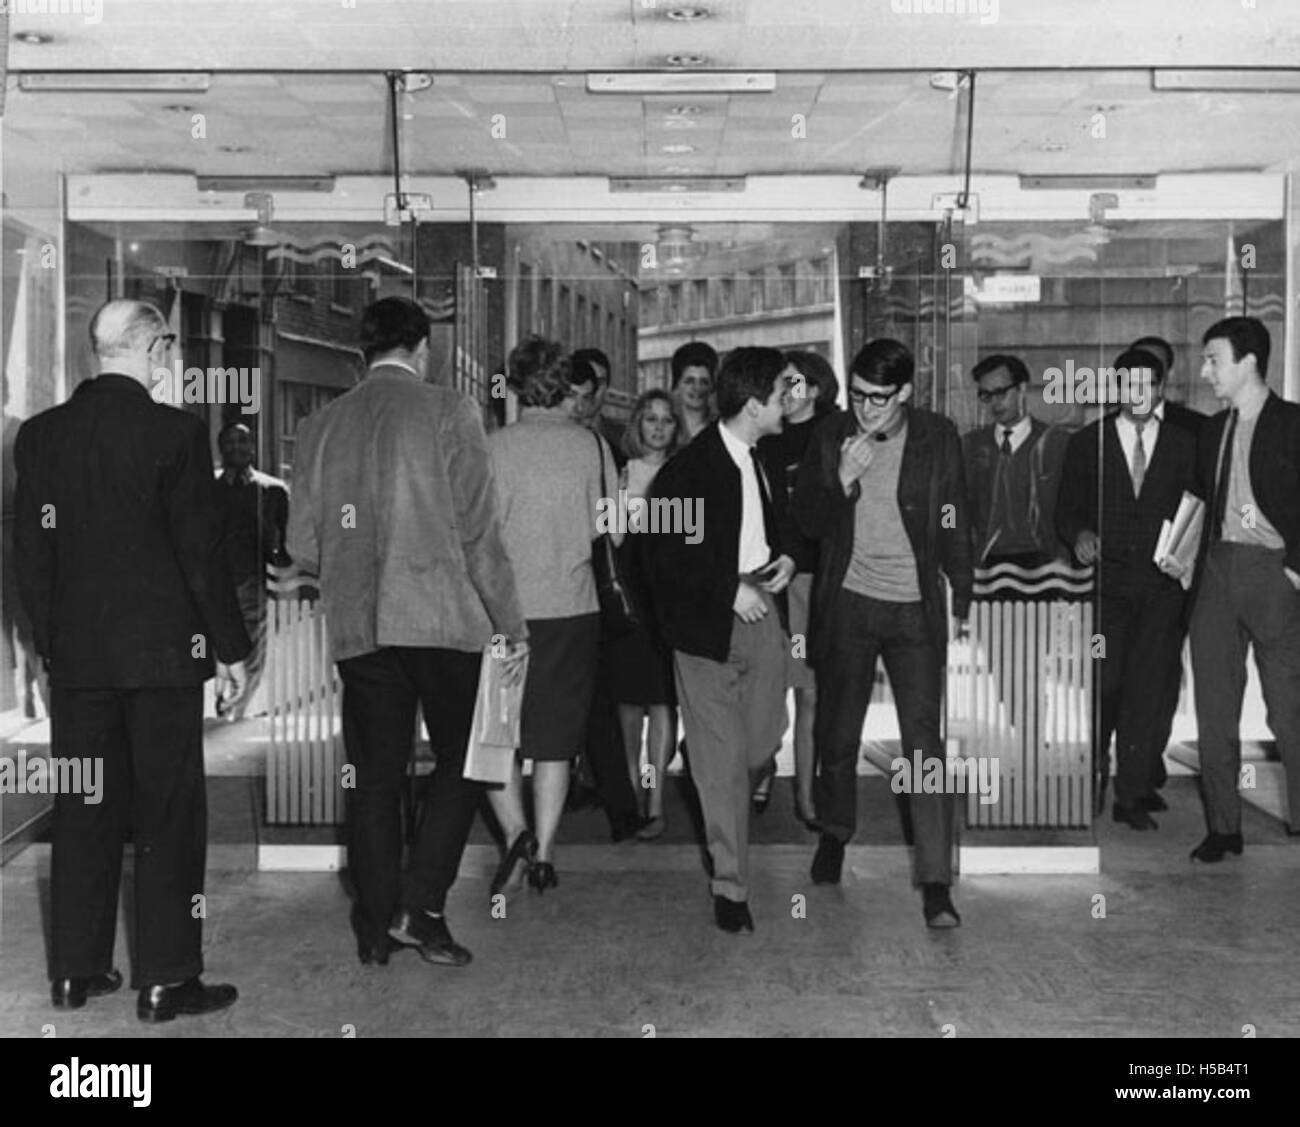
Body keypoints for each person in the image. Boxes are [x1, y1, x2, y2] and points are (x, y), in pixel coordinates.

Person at [14, 299, 250, 1021]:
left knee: (83, 809)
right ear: (157, 349)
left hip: (80, 660)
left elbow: (30, 554)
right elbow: (199, 557)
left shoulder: (41, 435)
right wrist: (231, 648)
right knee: (168, 814)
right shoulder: (176, 432)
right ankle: (166, 977)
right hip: (162, 660)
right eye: (168, 354)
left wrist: (52, 645)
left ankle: (75, 972)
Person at [287, 297, 528, 968]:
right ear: (422, 349)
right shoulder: (450, 411)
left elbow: (301, 540)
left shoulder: (321, 424)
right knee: (462, 759)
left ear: (365, 352)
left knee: (374, 775)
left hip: (361, 626)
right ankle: (419, 906)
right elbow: (480, 534)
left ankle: (373, 928)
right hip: (444, 621)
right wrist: (512, 624)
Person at [794, 338, 971, 929]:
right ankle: (836, 832)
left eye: (879, 398)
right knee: (838, 735)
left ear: (906, 393)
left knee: (924, 746)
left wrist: (962, 593)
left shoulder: (937, 435)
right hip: (849, 604)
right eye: (858, 394)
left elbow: (953, 515)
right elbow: (810, 525)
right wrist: (841, 478)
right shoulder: (831, 433)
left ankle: (936, 880)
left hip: (914, 609)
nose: (865, 409)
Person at [644, 347, 797, 933]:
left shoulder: (763, 457)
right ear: (755, 404)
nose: (791, 402)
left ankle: (708, 760)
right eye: (784, 393)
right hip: (704, 630)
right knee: (725, 768)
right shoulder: (686, 470)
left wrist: (782, 558)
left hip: (763, 614)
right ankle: (730, 885)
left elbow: (764, 528)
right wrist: (725, 589)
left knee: (763, 740)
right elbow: (656, 559)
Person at [1161, 317, 1300, 860]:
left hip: (1273, 572)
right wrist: (1181, 555)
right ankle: (1224, 828)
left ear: (1248, 362)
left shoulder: (1292, 423)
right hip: (1215, 573)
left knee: (1287, 709)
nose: (1205, 369)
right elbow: (1198, 499)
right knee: (1215, 708)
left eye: (1214, 358)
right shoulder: (1212, 430)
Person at [487, 335, 620, 893]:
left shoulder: (492, 448)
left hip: (503, 611)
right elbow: (606, 528)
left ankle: (514, 832)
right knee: (555, 740)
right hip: (572, 609)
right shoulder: (592, 447)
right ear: (565, 384)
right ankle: (543, 853)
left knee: (497, 737)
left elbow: (476, 533)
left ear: (514, 384)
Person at [1056, 347, 1197, 829]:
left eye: (1148, 385)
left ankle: (1132, 794)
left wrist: (1185, 558)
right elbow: (1066, 509)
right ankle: (1092, 773)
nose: (1138, 394)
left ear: (1160, 389)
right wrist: (1079, 535)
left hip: (1162, 590)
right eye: (1129, 384)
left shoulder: (1184, 444)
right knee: (1104, 683)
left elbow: (1196, 510)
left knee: (1147, 690)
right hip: (1106, 589)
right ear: (1116, 389)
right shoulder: (1086, 443)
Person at [752, 349, 840, 826]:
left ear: (819, 387)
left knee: (810, 693)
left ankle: (807, 795)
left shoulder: (836, 436)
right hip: (768, 582)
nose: (786, 392)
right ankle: (761, 765)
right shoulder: (764, 440)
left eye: (795, 383)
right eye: (779, 384)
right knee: (766, 691)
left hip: (817, 579)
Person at [565, 347, 645, 840]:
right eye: (581, 387)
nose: (586, 398)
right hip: (583, 584)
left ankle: (611, 802)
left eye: (595, 385)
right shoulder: (595, 449)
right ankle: (618, 806)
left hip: (578, 587)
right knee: (593, 701)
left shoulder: (605, 446)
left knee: (594, 700)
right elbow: (615, 530)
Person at [610, 389, 686, 839]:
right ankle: (632, 797)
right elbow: (615, 540)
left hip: (668, 603)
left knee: (662, 702)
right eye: (651, 419)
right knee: (627, 708)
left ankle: (655, 800)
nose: (658, 428)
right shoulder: (620, 474)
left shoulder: (687, 474)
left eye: (667, 420)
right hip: (629, 604)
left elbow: (690, 541)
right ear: (638, 425)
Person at [1130, 333, 1204, 793]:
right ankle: (1122, 770)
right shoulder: (1108, 430)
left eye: (1153, 372)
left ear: (1165, 378)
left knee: (1162, 677)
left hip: (1170, 577)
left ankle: (1150, 761)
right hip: (1121, 580)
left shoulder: (1195, 429)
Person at [962, 353, 1070, 570]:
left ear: (1022, 389)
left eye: (1001, 393)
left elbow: (1074, 506)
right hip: (984, 564)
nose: (995, 403)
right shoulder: (969, 446)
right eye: (986, 395)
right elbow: (949, 504)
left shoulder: (1057, 443)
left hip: (1046, 562)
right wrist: (951, 536)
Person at [214, 420, 290, 718]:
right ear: (221, 448)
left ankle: (242, 708)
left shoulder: (273, 490)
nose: (237, 447)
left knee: (254, 646)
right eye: (230, 442)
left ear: (253, 447)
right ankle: (225, 703)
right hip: (217, 581)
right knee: (221, 646)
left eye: (243, 441)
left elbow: (287, 538)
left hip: (254, 579)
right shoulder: (208, 487)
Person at [670, 340, 719, 442]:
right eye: (689, 381)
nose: (697, 388)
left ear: (712, 386)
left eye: (704, 382)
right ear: (677, 385)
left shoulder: (721, 429)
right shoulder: (665, 429)